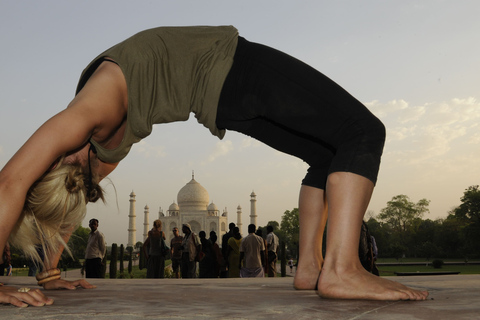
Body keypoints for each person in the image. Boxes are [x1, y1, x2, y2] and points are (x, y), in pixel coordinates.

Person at [0, 26, 428, 306]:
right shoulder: (91, 149)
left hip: (220, 97)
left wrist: (50, 273)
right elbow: (23, 189)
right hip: (232, 68)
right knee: (362, 131)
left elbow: (16, 186)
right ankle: (342, 269)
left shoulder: (86, 132)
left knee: (325, 153)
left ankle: (314, 268)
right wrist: (49, 274)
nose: (85, 192)